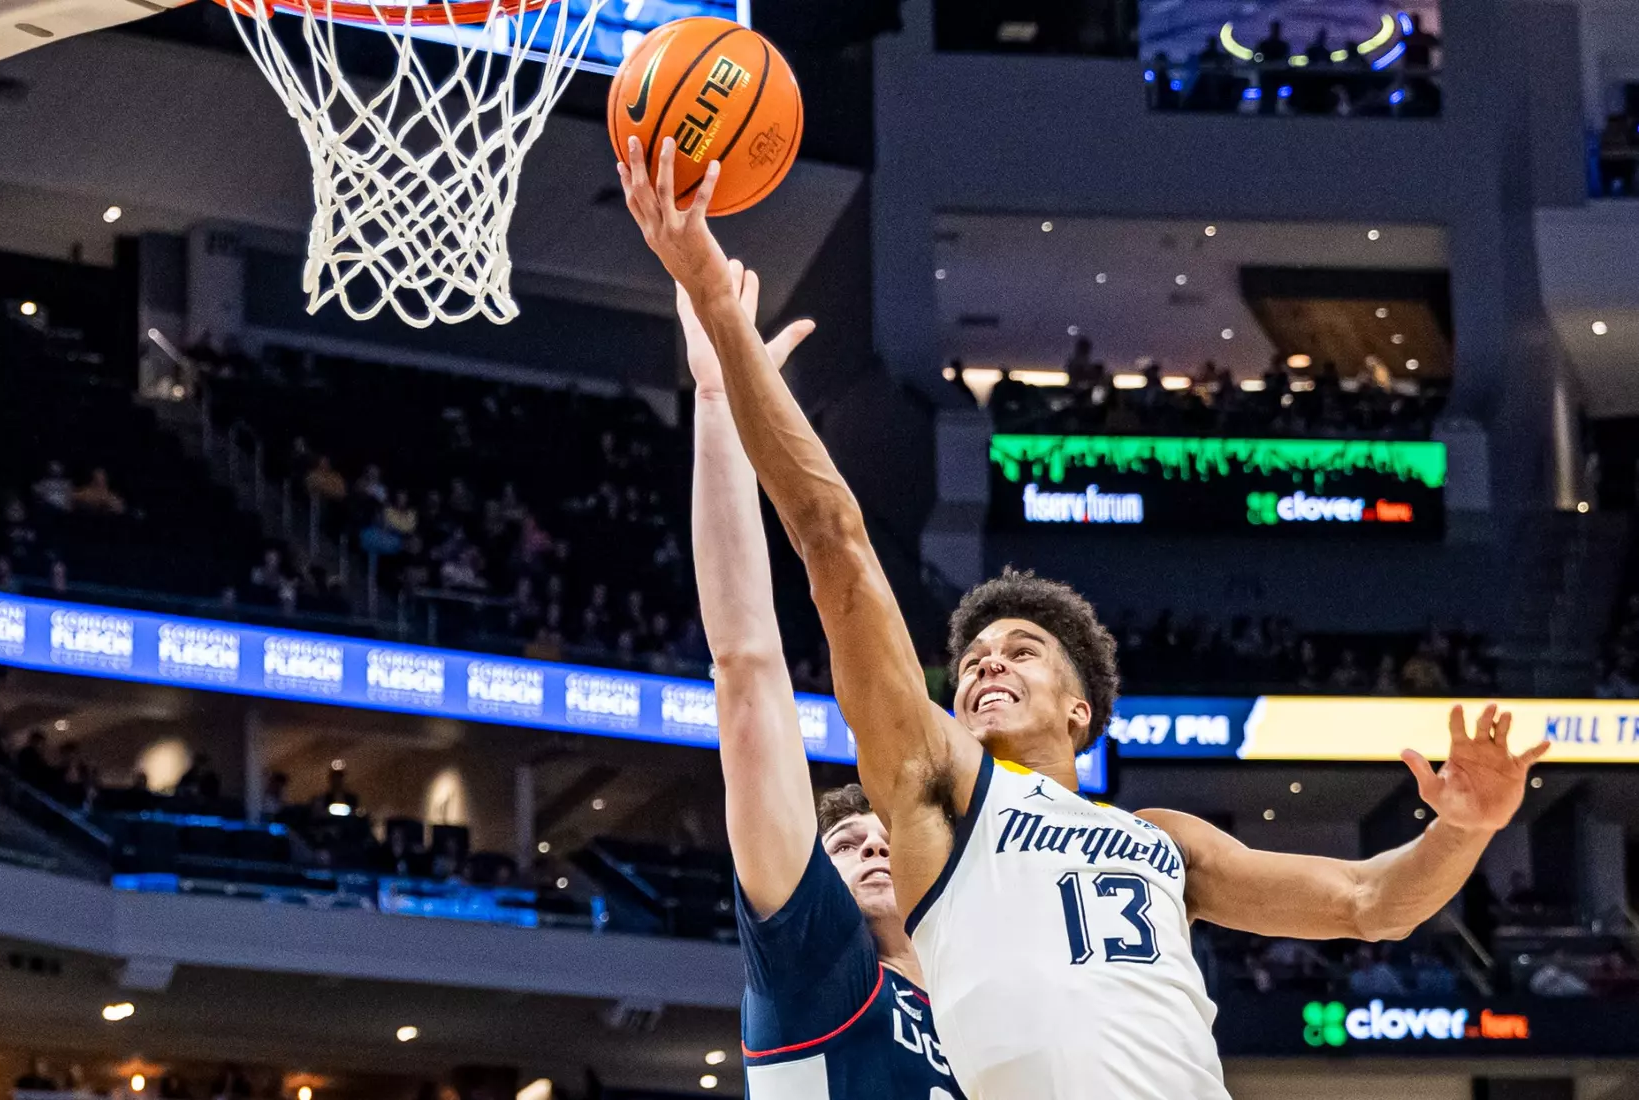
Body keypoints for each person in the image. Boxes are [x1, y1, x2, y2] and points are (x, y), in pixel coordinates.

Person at [618, 136, 1554, 1099]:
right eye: (973, 656)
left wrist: (1465, 830)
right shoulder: (938, 793)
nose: (985, 666)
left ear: (1080, 711)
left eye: (1020, 651)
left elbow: (1369, 903)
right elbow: (832, 543)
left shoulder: (1167, 841)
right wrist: (725, 331)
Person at [679, 263, 964, 1098]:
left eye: (881, 838)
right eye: (845, 844)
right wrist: (719, 409)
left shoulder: (978, 1003)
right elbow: (746, 670)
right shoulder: (822, 966)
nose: (875, 845)